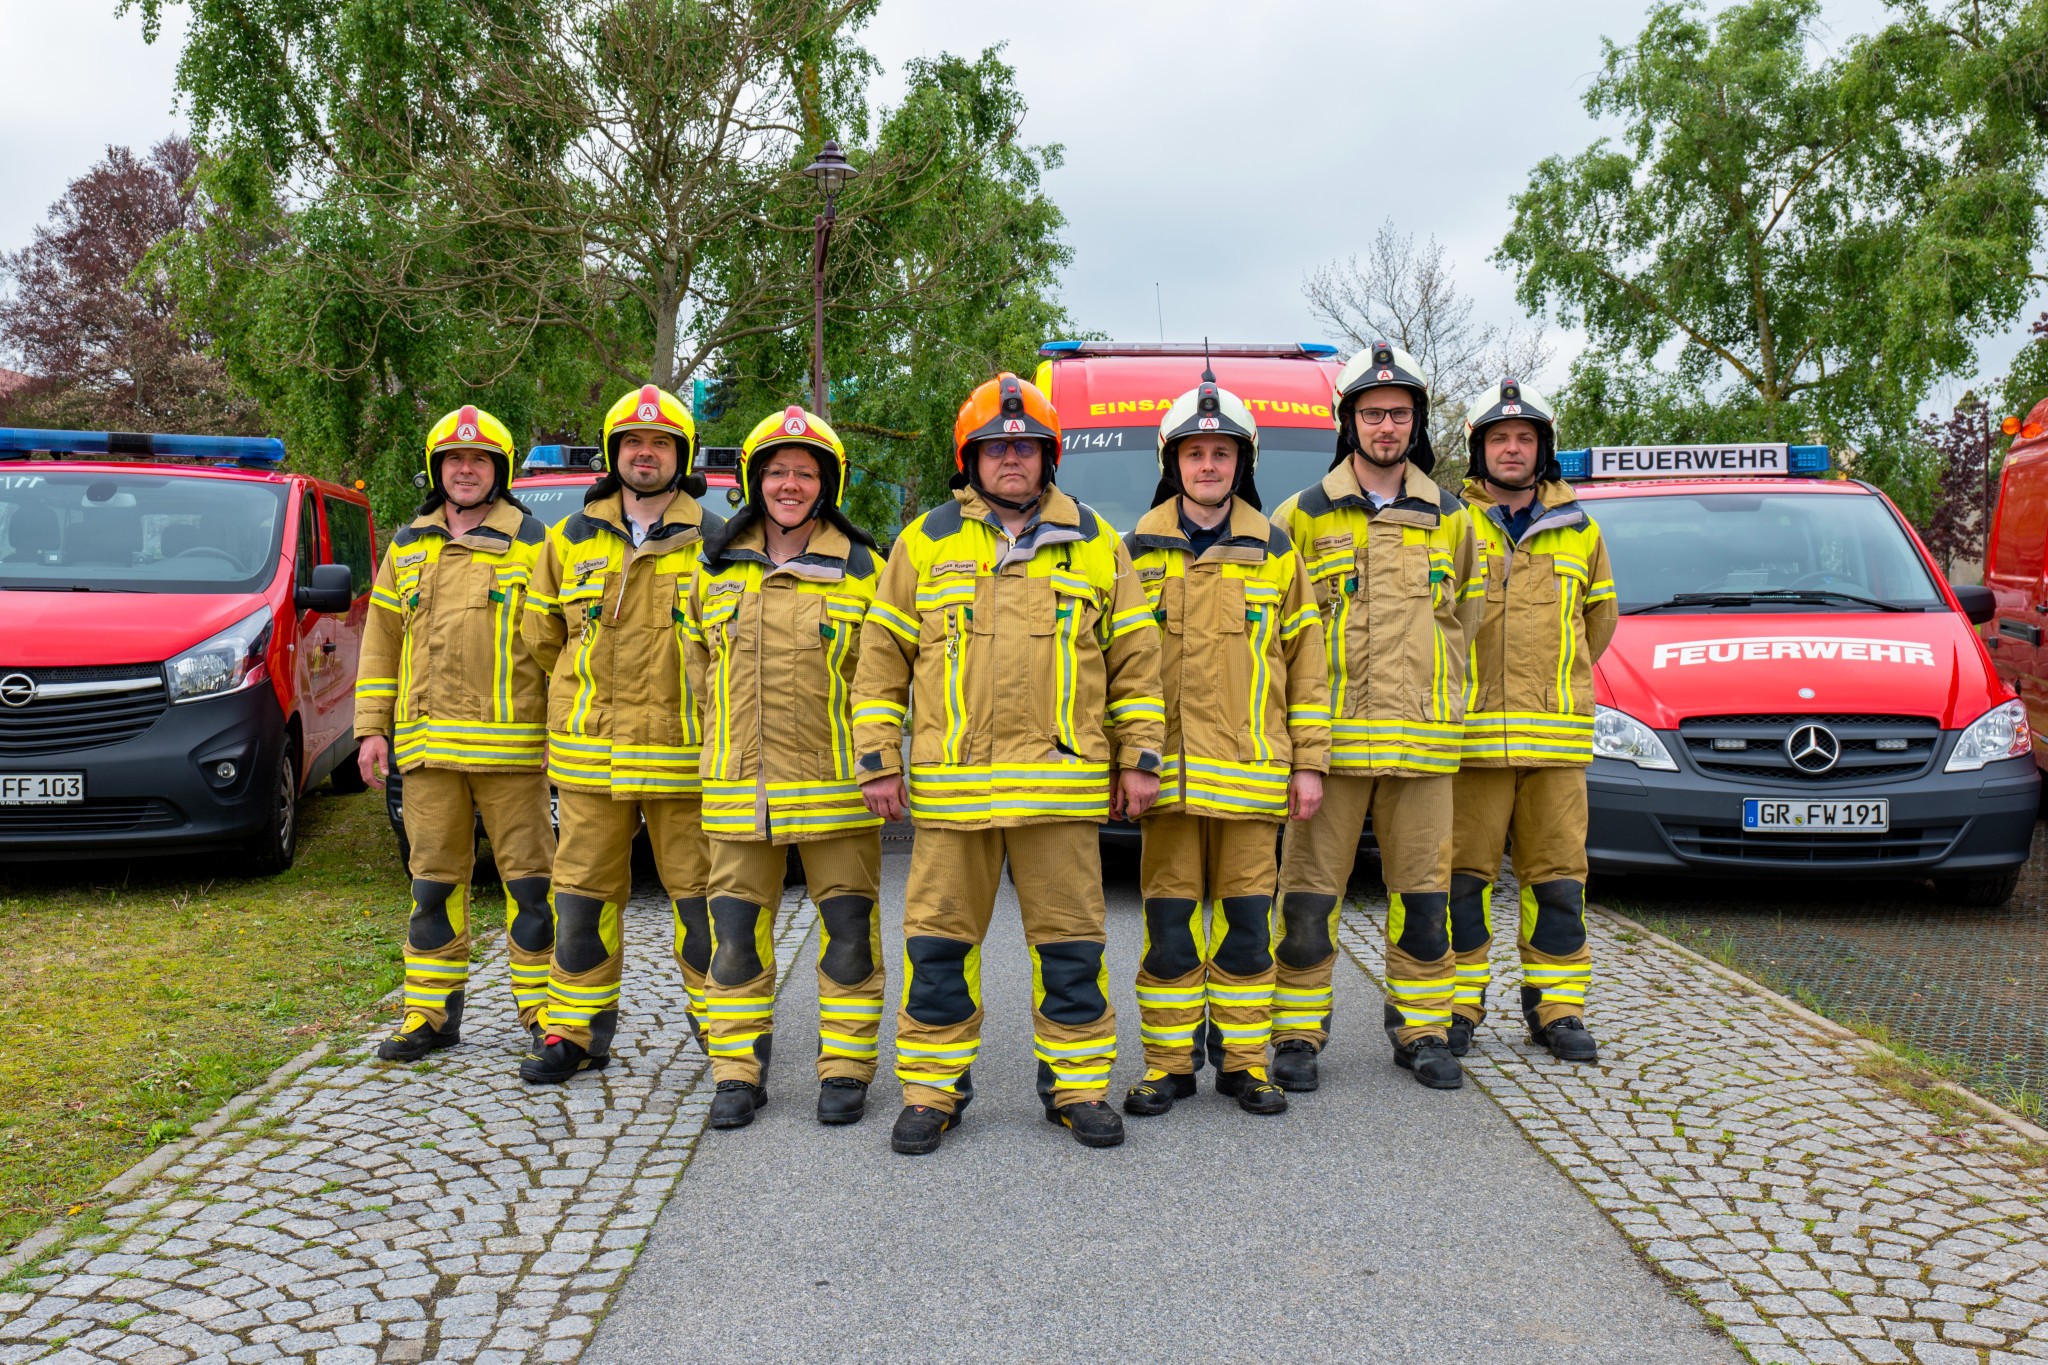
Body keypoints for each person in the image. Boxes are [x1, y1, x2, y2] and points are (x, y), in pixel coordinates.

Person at [852, 372, 1165, 1154]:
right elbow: (880, 658)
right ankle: (931, 1091)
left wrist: (1141, 758)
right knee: (936, 950)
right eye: (996, 447)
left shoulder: (1096, 542)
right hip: (955, 797)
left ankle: (1078, 1086)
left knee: (1071, 951)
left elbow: (1134, 661)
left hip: (1060, 795)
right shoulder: (924, 541)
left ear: (1048, 454)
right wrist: (877, 758)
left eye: (1026, 445)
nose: (1012, 458)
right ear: (971, 458)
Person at [1269, 341, 1481, 1093]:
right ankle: (1296, 1032)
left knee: (1424, 899)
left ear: (1416, 423)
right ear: (1348, 420)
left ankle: (1422, 1030)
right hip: (1329, 748)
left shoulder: (1454, 520)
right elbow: (1282, 637)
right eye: (1371, 412)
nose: (1385, 426)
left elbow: (1469, 622)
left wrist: (1444, 703)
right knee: (1306, 898)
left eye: (1398, 414)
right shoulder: (1300, 516)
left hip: (1423, 747)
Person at [1120, 373, 1329, 1119]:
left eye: (1222, 453)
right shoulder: (1134, 550)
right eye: (1195, 453)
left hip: (1249, 782)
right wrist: (1125, 760)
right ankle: (1169, 1066)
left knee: (1246, 933)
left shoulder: (1276, 550)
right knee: (1169, 932)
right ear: (1170, 461)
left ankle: (1244, 1064)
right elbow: (1113, 664)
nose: (1209, 466)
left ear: (1245, 462)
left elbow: (1308, 666)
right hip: (1168, 782)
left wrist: (1309, 762)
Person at [684, 406, 886, 1129]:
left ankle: (846, 1068)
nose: (790, 483)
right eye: (777, 471)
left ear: (826, 483)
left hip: (836, 787)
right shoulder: (712, 567)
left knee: (850, 931)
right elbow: (695, 677)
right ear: (754, 480)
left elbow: (885, 676)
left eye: (804, 472)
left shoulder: (866, 568)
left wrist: (881, 763)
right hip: (740, 791)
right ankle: (737, 1074)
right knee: (735, 937)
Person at [519, 384, 723, 1083]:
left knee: (702, 904)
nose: (645, 453)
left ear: (680, 455)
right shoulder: (568, 538)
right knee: (579, 898)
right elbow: (542, 639)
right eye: (633, 443)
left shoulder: (719, 540)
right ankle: (574, 1032)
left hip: (684, 760)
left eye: (660, 443)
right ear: (614, 455)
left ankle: (725, 1035)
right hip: (591, 762)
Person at [354, 405, 555, 1061]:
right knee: (432, 885)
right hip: (427, 750)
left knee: (530, 886)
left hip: (514, 752)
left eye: (478, 460)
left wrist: (562, 732)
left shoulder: (534, 541)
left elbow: (558, 646)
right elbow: (382, 644)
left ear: (497, 469)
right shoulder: (408, 544)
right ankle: (430, 1015)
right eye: (453, 460)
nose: (464, 470)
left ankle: (544, 1014)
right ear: (437, 469)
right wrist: (370, 731)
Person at [1451, 380, 1617, 1062]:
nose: (1512, 449)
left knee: (1558, 881)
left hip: (1555, 746)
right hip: (1471, 745)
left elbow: (1598, 624)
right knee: (1460, 883)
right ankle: (1455, 1004)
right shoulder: (1450, 523)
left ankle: (1558, 1008)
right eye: (1498, 439)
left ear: (1541, 449)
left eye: (1523, 439)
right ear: (1479, 450)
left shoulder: (1582, 530)